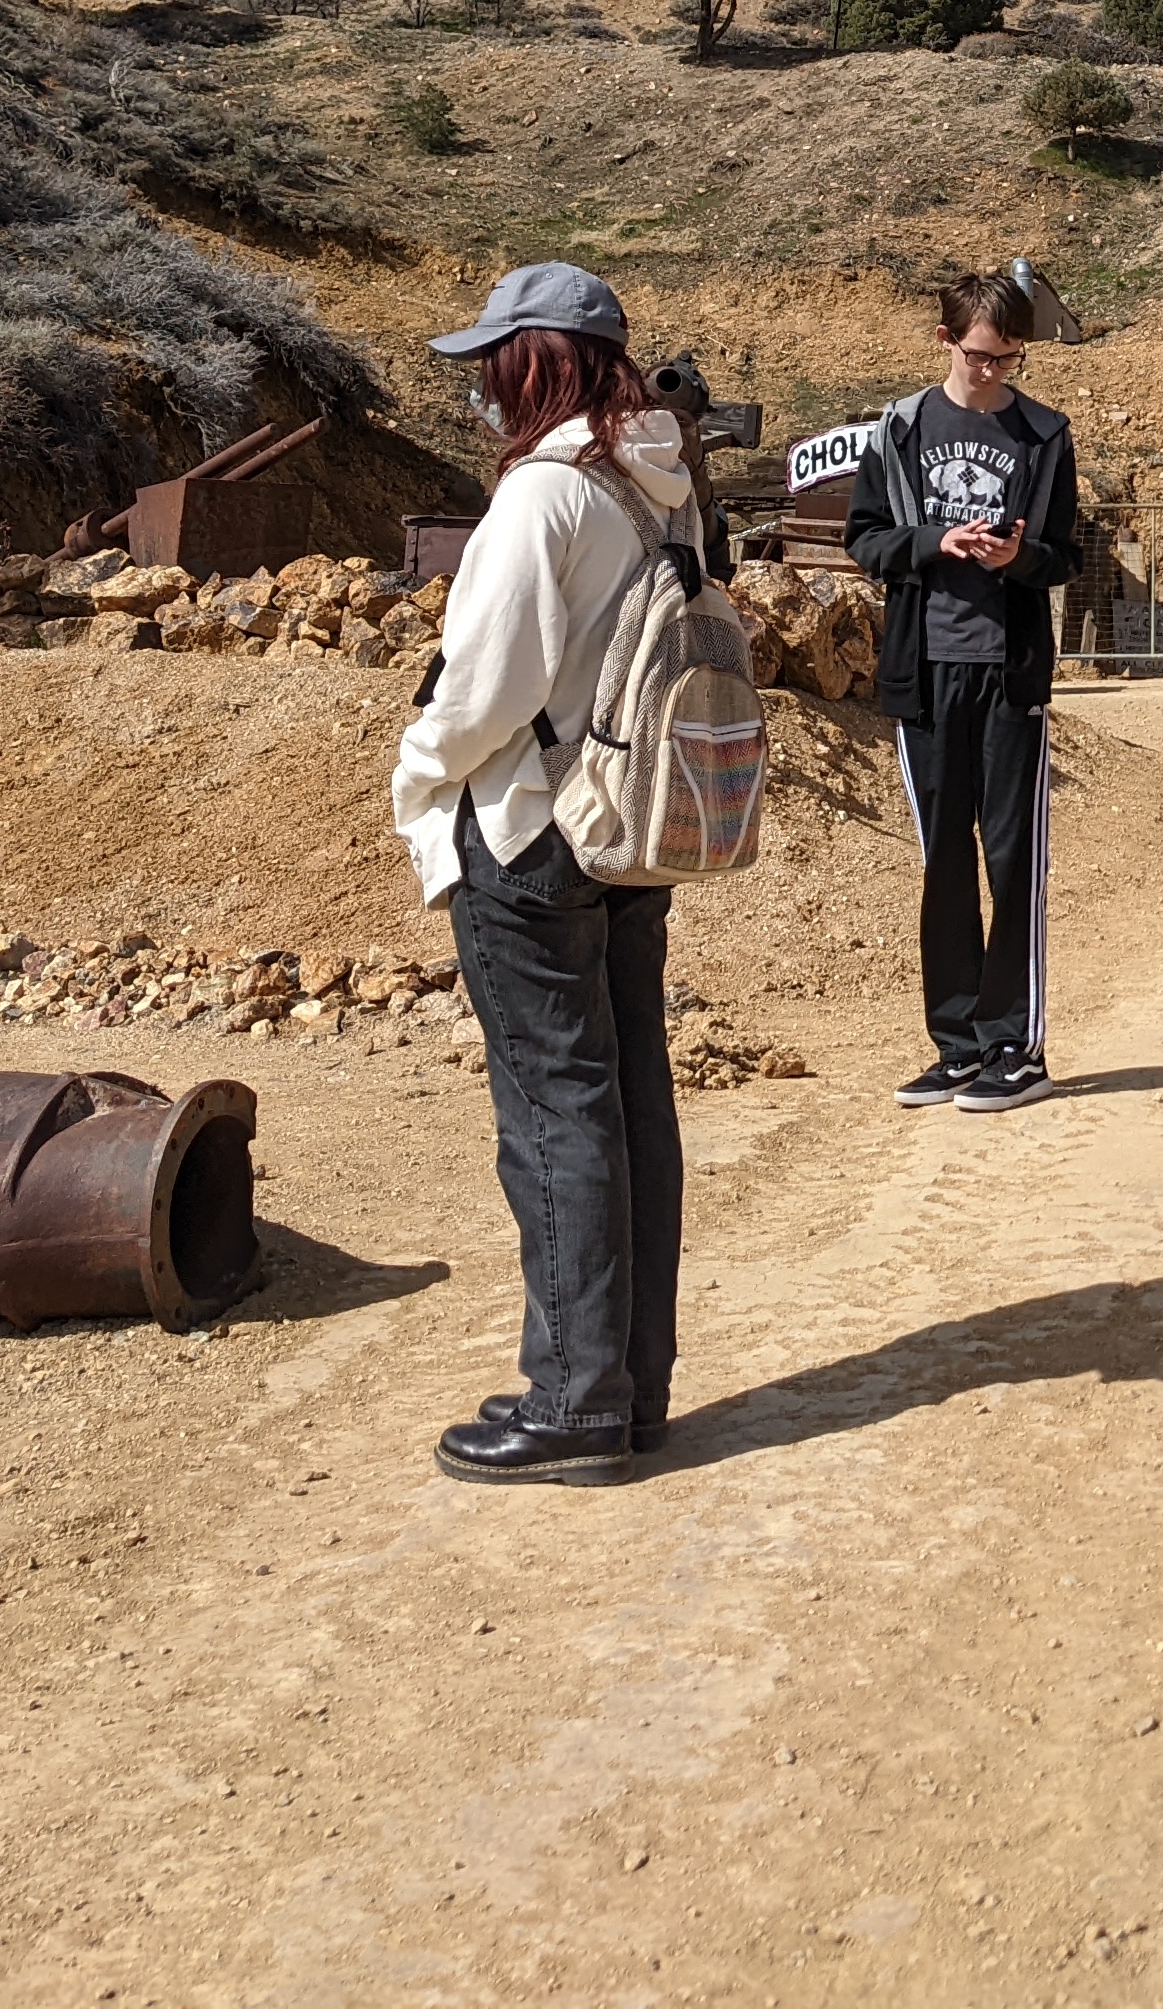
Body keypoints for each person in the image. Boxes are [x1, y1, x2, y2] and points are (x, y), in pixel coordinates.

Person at [389, 262, 697, 1484]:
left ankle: (572, 1402)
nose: (481, 387)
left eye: (492, 363)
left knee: (554, 1112)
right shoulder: (664, 485)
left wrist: (416, 770)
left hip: (528, 830)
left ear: (535, 364)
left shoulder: (542, 497)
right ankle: (632, 1387)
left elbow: (486, 690)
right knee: (629, 1102)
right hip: (629, 827)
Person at [848, 272, 1082, 1114]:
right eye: (981, 355)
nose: (992, 372)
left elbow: (1065, 556)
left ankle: (1016, 1047)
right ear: (946, 341)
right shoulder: (900, 429)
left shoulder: (1045, 435)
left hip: (1010, 676)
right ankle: (956, 1046)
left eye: (1009, 358)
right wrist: (930, 542)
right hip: (926, 674)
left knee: (1013, 859)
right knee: (943, 860)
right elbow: (865, 539)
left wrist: (1017, 559)